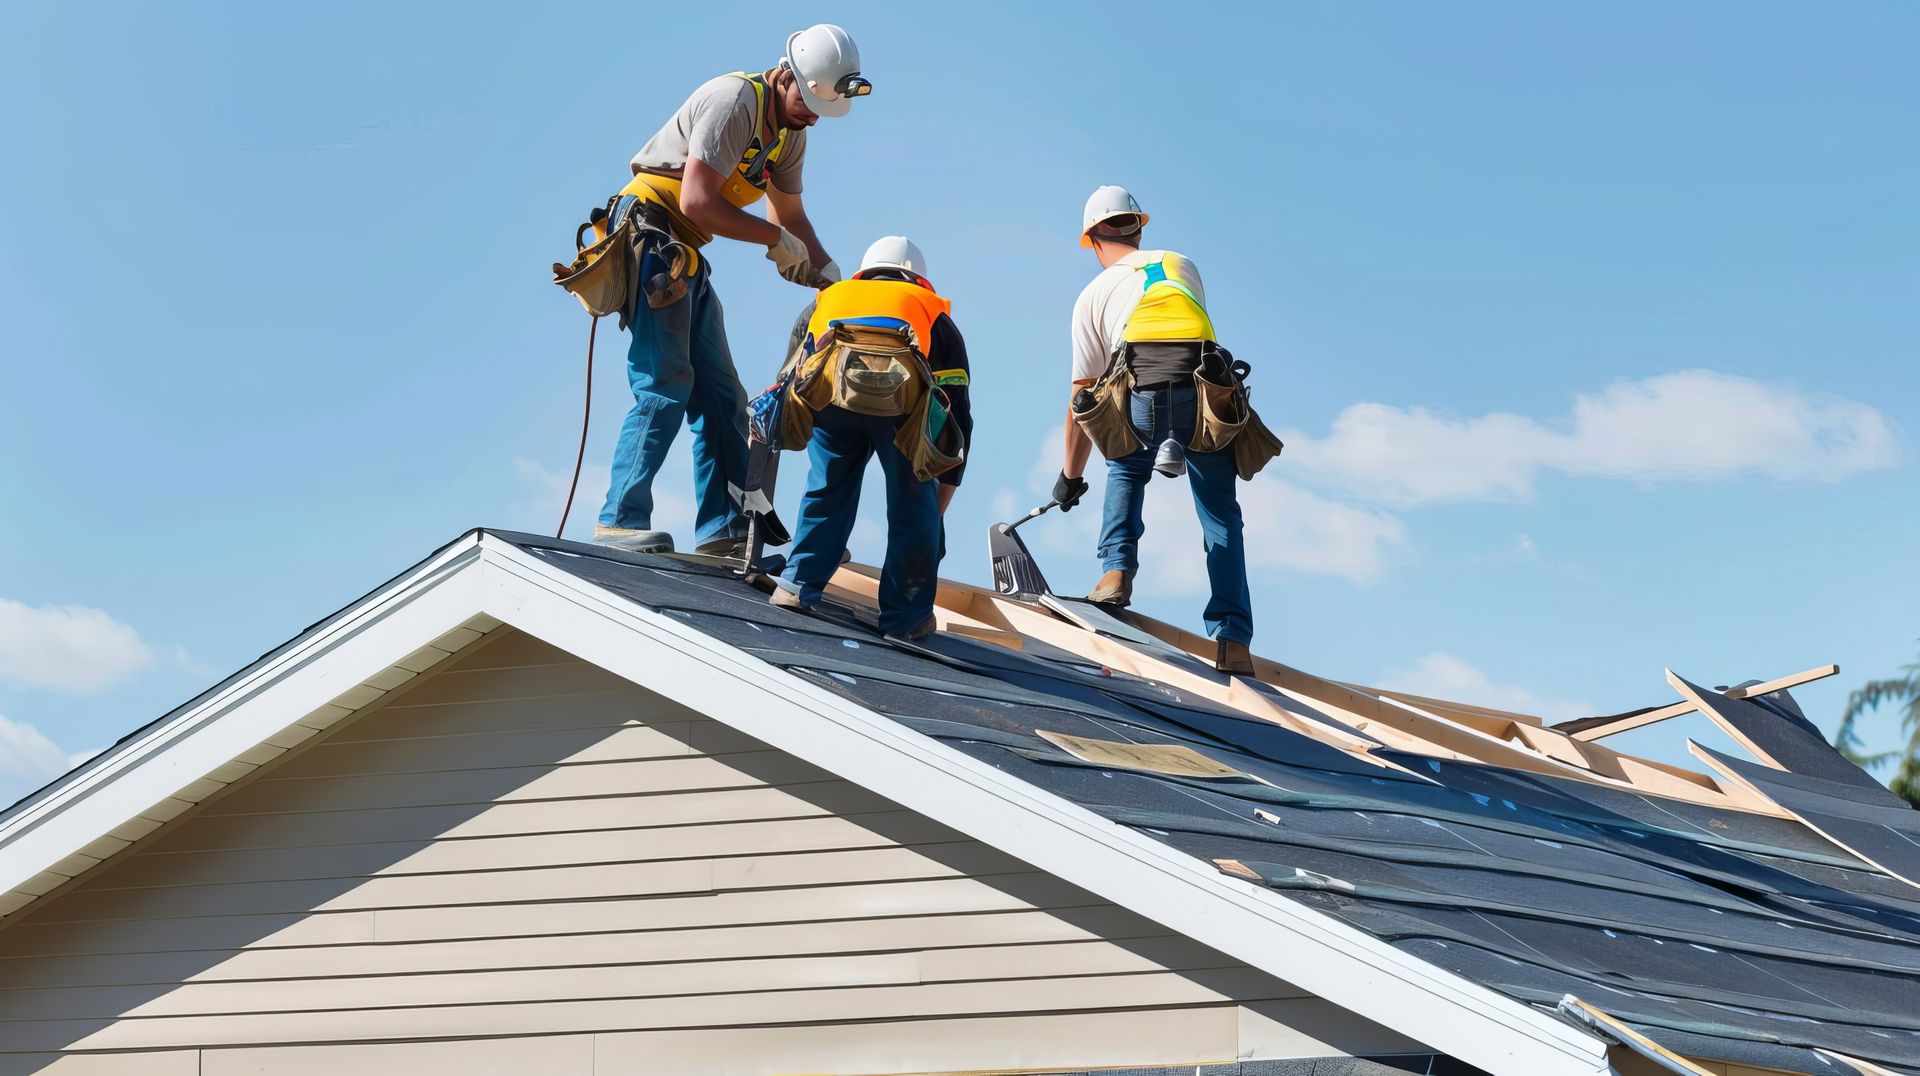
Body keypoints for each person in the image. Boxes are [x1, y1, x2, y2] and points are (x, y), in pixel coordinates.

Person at [594, 25, 870, 558]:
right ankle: (619, 520)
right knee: (665, 382)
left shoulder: (790, 132)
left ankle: (721, 529)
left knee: (723, 397)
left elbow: (789, 215)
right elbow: (698, 201)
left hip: (684, 250)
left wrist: (829, 274)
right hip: (651, 232)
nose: (812, 113)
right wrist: (775, 240)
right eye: (807, 100)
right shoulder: (734, 100)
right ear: (785, 74)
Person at [1053, 186, 1255, 674]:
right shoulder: (1183, 264)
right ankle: (1232, 638)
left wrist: (1070, 475)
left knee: (1125, 462)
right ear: (1138, 229)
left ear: (1093, 241)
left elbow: (1083, 398)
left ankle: (1115, 572)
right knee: (1219, 512)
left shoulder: (1092, 296)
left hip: (1143, 402)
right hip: (1205, 398)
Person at [771, 237, 973, 639]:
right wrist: (934, 511)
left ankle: (795, 584)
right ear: (919, 278)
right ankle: (905, 617)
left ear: (865, 270)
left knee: (826, 489)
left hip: (831, 405)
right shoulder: (932, 312)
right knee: (911, 506)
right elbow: (957, 418)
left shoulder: (828, 300)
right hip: (901, 414)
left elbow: (790, 374)